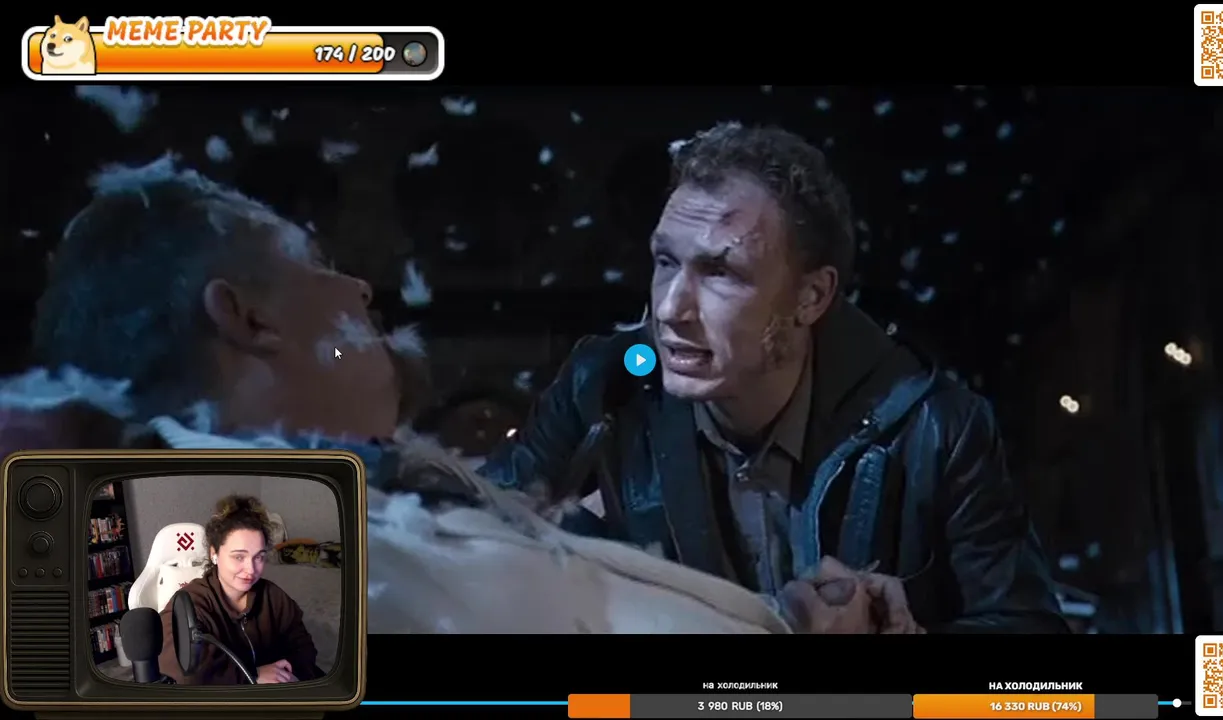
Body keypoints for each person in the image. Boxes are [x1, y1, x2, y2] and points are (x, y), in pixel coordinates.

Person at [0, 155, 805, 634]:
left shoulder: (354, 513)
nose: (357, 286)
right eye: (317, 262)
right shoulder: (230, 577)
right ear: (247, 318)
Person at [482, 122, 1070, 634]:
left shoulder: (936, 430)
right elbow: (469, 535)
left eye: (720, 272)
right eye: (665, 262)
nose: (670, 308)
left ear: (811, 297)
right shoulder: (605, 389)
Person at [158, 495, 321, 684]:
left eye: (259, 557)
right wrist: (252, 676)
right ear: (214, 554)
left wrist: (291, 676)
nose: (251, 570)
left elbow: (304, 647)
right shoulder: (190, 603)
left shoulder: (274, 598)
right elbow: (182, 672)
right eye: (239, 557)